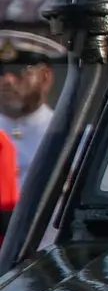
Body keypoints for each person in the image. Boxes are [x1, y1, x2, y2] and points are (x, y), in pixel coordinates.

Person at [0, 30, 61, 190]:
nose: (7, 80)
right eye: (0, 72)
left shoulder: (77, 137)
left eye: (18, 71)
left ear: (45, 77)